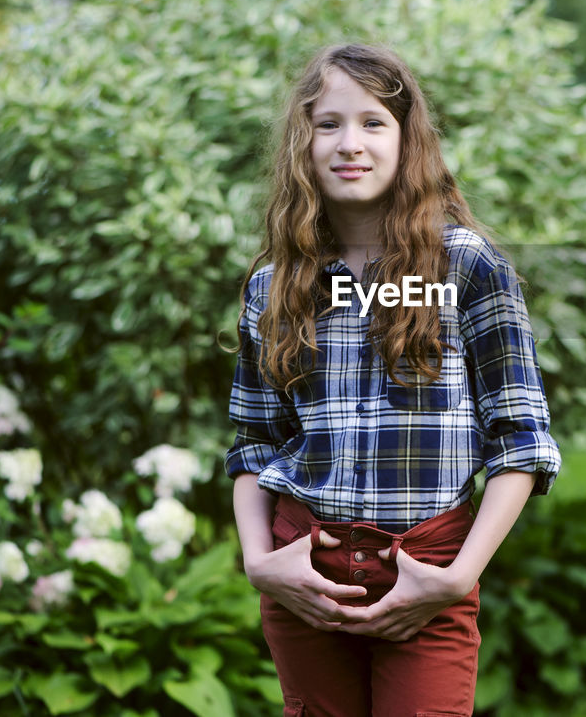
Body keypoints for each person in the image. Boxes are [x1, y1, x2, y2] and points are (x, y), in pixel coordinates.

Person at [225, 43, 561, 717]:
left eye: (373, 122)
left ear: (407, 139)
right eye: (328, 124)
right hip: (306, 577)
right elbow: (254, 442)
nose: (350, 143)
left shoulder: (465, 267)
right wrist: (261, 564)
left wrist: (456, 577)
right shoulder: (274, 285)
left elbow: (520, 440)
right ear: (303, 141)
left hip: (427, 570)